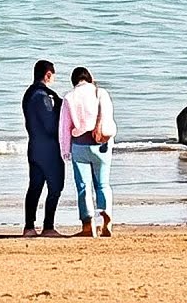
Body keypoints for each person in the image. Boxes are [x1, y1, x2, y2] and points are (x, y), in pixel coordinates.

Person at [59, 67, 117, 237]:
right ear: (89, 78)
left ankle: (87, 225)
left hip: (79, 146)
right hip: (102, 145)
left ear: (74, 81)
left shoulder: (69, 97)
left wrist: (65, 151)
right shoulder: (101, 93)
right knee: (103, 184)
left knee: (83, 187)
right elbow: (108, 118)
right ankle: (106, 217)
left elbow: (64, 128)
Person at [21, 59, 64, 237]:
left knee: (35, 187)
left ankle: (29, 226)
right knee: (55, 187)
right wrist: (59, 110)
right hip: (48, 149)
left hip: (34, 147)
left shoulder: (28, 94)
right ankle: (48, 227)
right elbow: (50, 125)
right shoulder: (42, 96)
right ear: (48, 74)